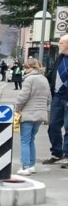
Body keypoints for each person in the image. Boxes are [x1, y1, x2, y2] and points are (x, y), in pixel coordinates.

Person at [12, 57, 50, 175]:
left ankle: (25, 166)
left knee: (24, 141)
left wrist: (17, 109)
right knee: (31, 140)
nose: (24, 69)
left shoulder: (29, 80)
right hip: (40, 114)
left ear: (30, 67)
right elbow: (49, 98)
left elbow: (22, 97)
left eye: (25, 67)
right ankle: (32, 165)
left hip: (28, 113)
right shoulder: (44, 79)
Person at [44, 37, 68, 165]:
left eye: (61, 43)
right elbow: (52, 73)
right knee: (53, 125)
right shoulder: (60, 58)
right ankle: (57, 153)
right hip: (57, 97)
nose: (59, 45)